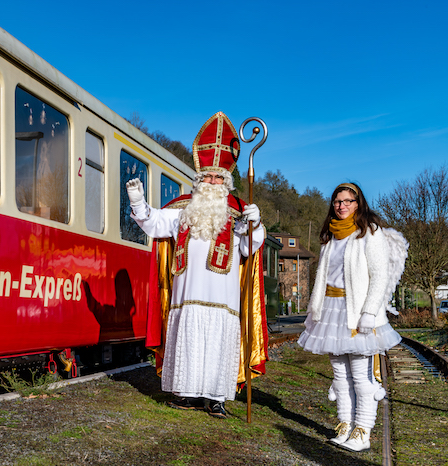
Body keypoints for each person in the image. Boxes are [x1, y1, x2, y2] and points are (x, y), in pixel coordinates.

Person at [126, 112, 266, 419]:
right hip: (186, 293)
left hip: (223, 297)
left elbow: (248, 248)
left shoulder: (240, 211)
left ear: (226, 182)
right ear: (198, 180)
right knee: (188, 340)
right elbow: (154, 224)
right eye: (207, 177)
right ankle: (187, 394)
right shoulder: (181, 210)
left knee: (218, 343)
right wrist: (138, 202)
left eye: (218, 178)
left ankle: (215, 398)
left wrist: (254, 224)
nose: (212, 182)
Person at [298, 182, 406, 452]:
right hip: (331, 309)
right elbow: (323, 278)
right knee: (339, 375)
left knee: (360, 375)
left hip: (356, 310)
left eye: (348, 201)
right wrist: (315, 310)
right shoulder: (330, 236)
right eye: (337, 201)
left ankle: (363, 431)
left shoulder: (369, 232)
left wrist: (369, 312)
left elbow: (379, 275)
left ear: (358, 204)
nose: (342, 206)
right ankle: (345, 424)